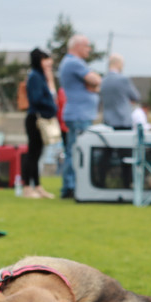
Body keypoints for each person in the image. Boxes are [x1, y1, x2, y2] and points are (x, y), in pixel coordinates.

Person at [56, 34, 102, 198]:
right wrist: (93, 82)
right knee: (77, 152)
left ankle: (71, 185)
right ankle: (71, 186)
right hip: (79, 115)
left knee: (73, 151)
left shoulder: (73, 63)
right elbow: (95, 80)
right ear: (78, 46)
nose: (89, 49)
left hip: (79, 114)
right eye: (87, 46)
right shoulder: (74, 62)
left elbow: (95, 84)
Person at [23, 48, 57, 199]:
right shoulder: (35, 77)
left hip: (40, 117)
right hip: (36, 119)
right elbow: (36, 99)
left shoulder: (41, 76)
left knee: (37, 154)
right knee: (33, 154)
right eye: (45, 59)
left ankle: (37, 186)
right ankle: (27, 187)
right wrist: (50, 104)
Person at [99, 53, 140, 130]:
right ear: (117, 63)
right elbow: (136, 96)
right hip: (123, 120)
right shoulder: (123, 79)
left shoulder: (103, 80)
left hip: (107, 121)